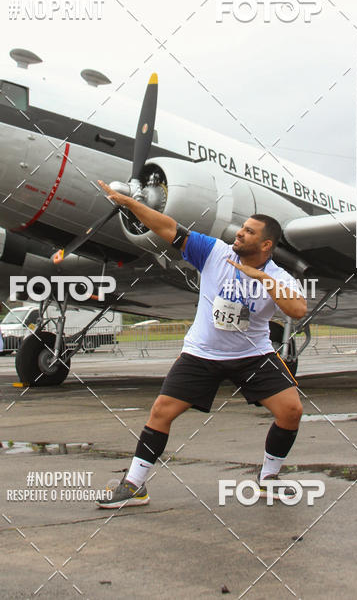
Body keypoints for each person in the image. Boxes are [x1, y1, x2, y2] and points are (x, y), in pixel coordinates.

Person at [94, 180, 307, 509]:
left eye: (249, 232)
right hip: (202, 353)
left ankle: (268, 478)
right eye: (242, 228)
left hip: (253, 355)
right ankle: (134, 484)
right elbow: (169, 228)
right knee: (161, 411)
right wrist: (131, 204)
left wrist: (264, 280)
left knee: (291, 411)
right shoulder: (214, 252)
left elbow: (298, 310)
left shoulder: (278, 277)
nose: (240, 233)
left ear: (266, 245)